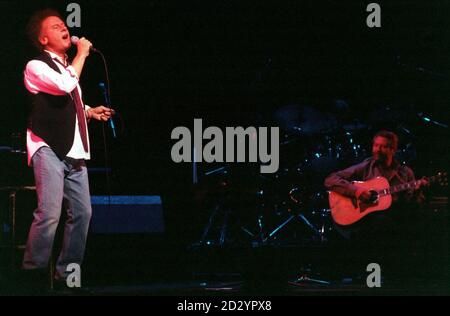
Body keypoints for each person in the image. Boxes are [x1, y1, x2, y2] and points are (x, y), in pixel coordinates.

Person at [21, 9, 114, 289]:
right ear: (43, 38)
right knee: (49, 213)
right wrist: (82, 53)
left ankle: (66, 276)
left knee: (83, 212)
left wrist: (88, 111)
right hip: (47, 146)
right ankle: (32, 276)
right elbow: (62, 87)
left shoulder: (67, 68)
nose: (64, 28)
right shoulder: (35, 66)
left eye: (64, 24)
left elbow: (67, 100)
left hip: (75, 151)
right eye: (56, 26)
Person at [324, 130, 428, 278]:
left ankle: (404, 274)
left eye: (383, 146)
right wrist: (357, 191)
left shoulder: (405, 173)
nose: (377, 150)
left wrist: (417, 192)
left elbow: (412, 204)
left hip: (396, 220)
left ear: (393, 150)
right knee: (381, 222)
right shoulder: (366, 166)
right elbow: (331, 179)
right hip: (365, 222)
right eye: (375, 145)